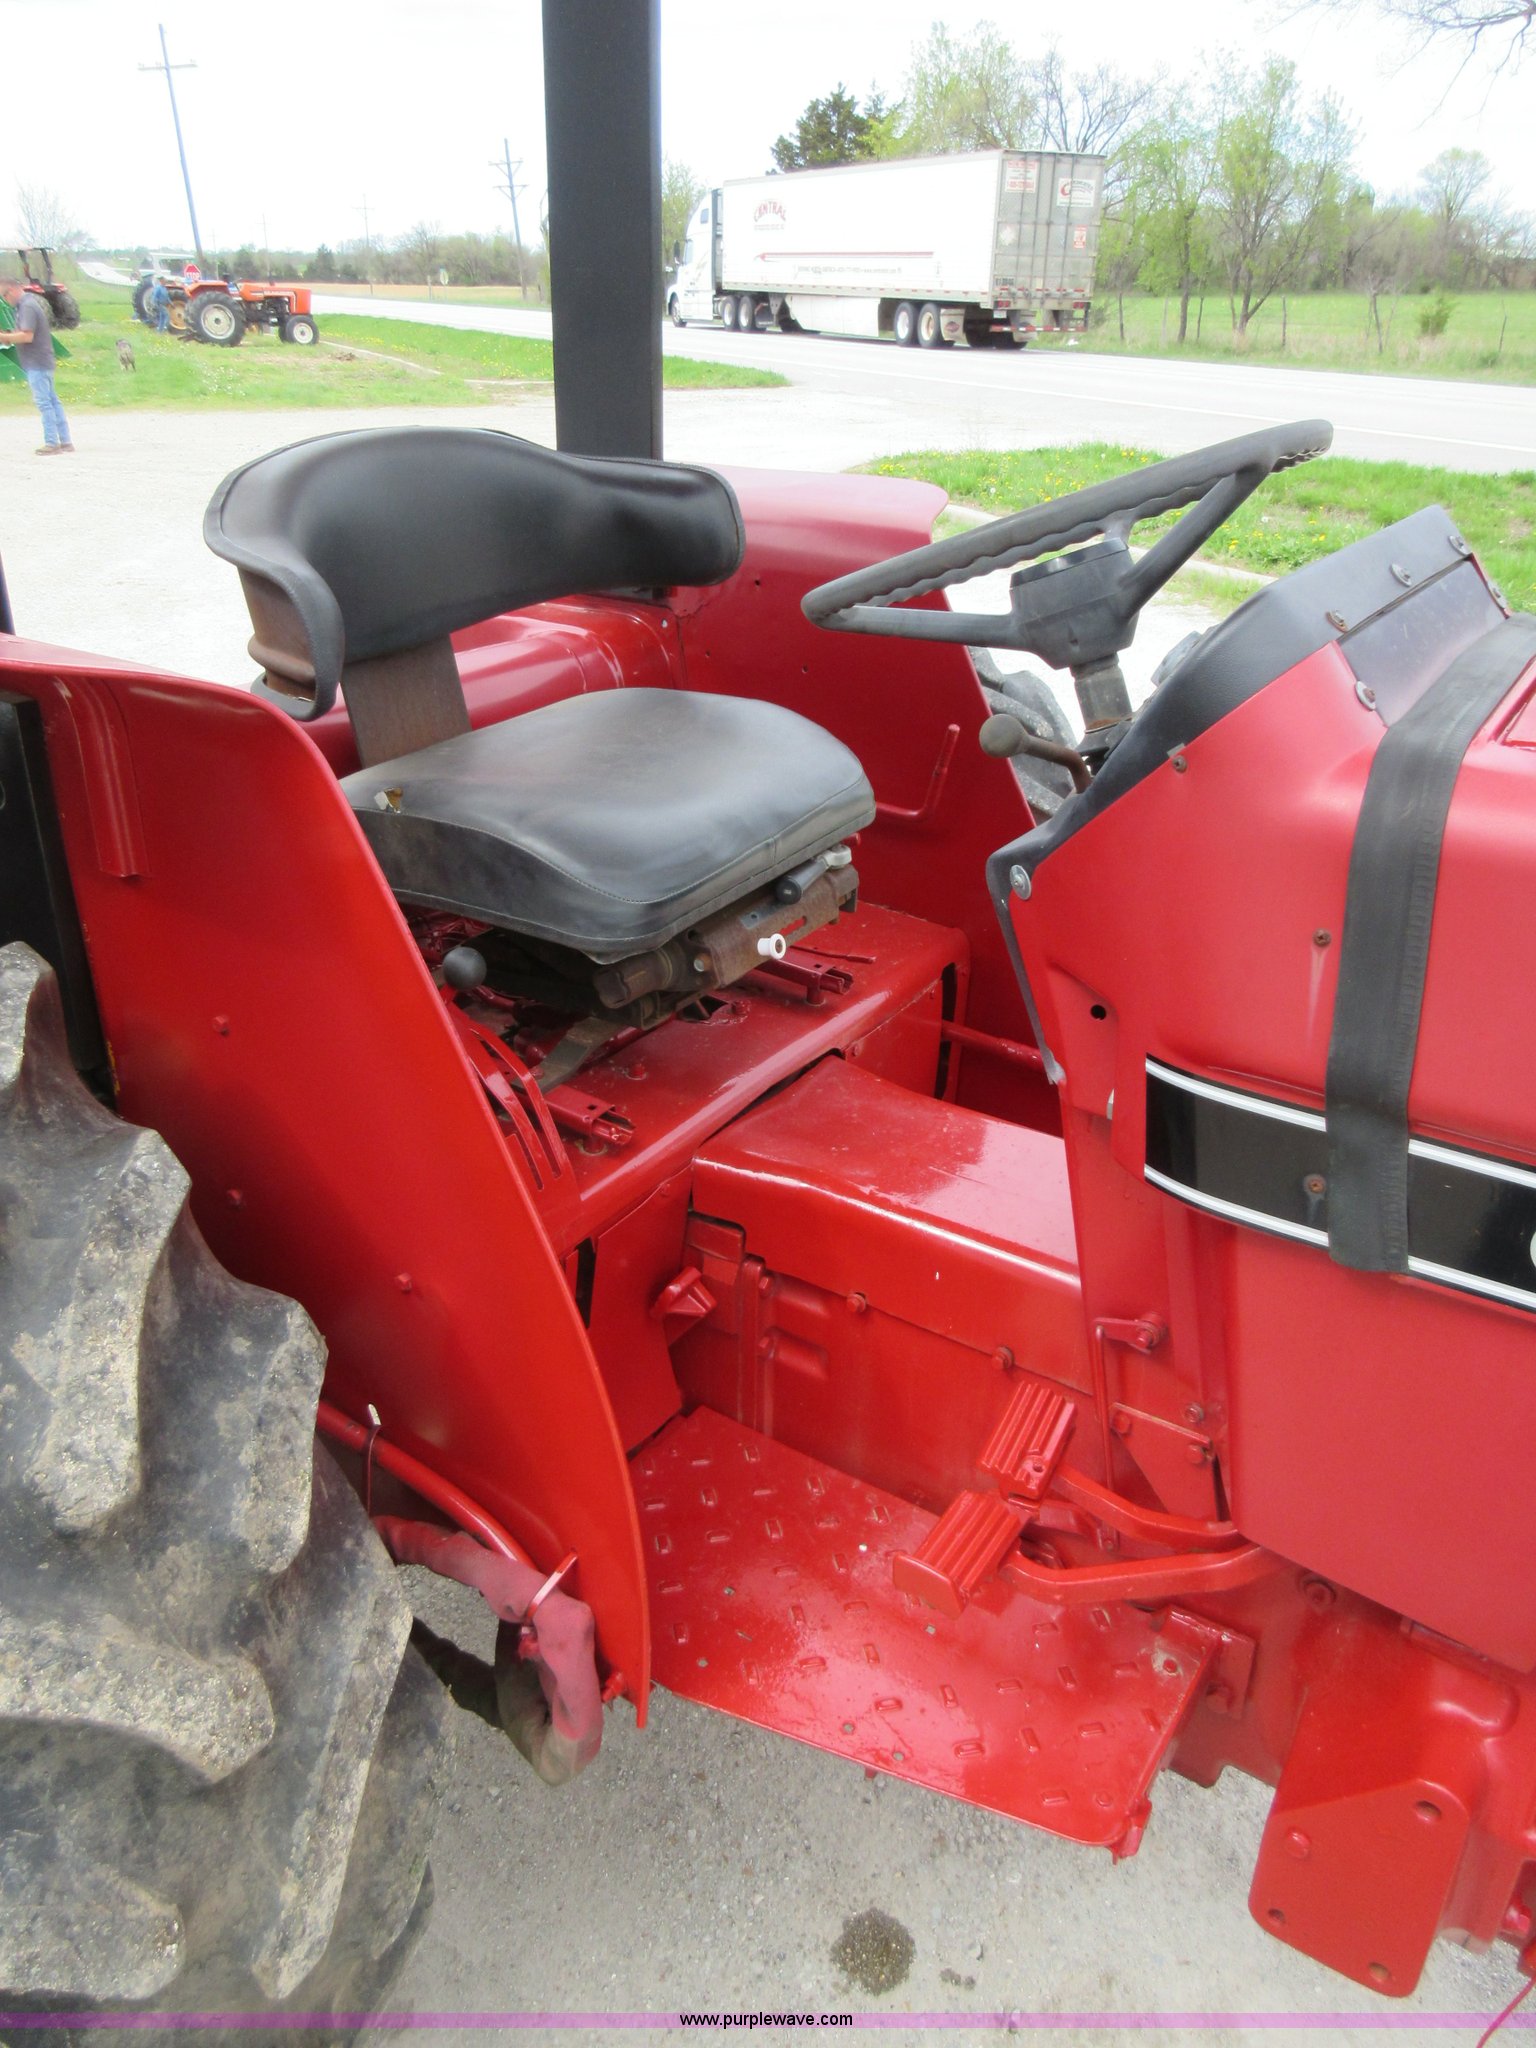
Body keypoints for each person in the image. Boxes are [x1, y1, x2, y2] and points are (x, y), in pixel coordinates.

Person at [0, 284, 73, 454]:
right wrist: (9, 335)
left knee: (44, 403)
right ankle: (65, 441)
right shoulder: (28, 304)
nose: (5, 300)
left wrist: (4, 337)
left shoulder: (27, 306)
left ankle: (52, 443)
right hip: (42, 360)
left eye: (5, 295)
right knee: (52, 401)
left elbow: (27, 336)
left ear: (12, 290)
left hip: (37, 362)